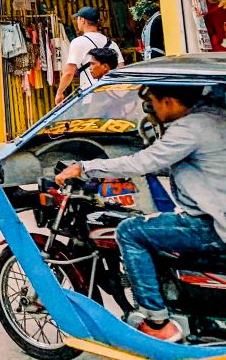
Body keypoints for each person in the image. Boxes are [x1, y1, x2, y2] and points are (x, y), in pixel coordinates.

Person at [57, 84, 226, 342]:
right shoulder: (215, 117)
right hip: (215, 214)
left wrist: (84, 167)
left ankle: (157, 322)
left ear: (168, 101)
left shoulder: (189, 128)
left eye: (154, 103)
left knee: (130, 231)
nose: (152, 110)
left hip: (211, 226)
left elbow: (143, 161)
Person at [55, 7, 123, 105]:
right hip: (113, 95)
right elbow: (121, 68)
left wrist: (59, 93)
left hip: (90, 96)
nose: (77, 22)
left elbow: (69, 73)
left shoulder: (78, 42)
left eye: (77, 19)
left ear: (82, 20)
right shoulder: (112, 43)